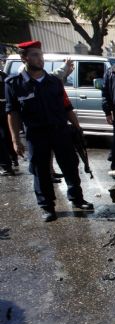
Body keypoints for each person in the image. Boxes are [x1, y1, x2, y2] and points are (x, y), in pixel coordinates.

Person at [5, 40, 93, 221]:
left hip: (60, 131)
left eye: (41, 55)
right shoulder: (14, 84)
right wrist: (15, 140)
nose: (40, 59)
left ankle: (77, 198)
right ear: (24, 58)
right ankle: (47, 206)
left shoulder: (54, 81)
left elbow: (67, 107)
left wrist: (77, 128)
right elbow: (12, 113)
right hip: (36, 135)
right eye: (35, 55)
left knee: (70, 166)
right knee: (40, 171)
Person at [0, 69, 15, 176]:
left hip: (3, 108)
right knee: (7, 135)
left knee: (4, 137)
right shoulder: (4, 75)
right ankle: (13, 159)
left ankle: (6, 166)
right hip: (5, 108)